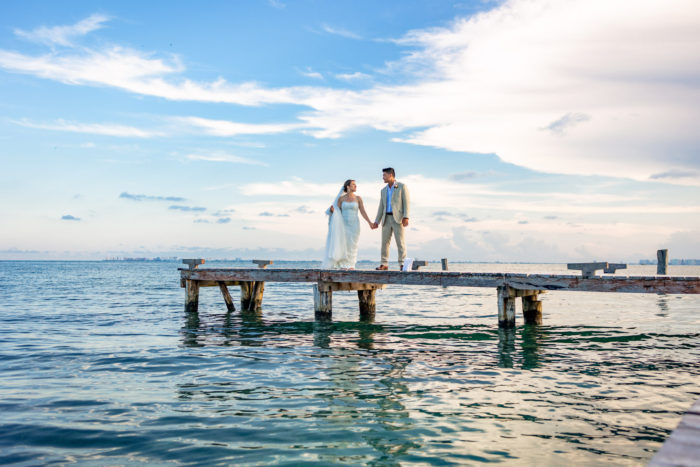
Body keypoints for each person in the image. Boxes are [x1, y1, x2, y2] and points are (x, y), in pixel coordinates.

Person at [323, 179, 373, 269]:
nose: (355, 186)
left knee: (353, 244)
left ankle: (351, 265)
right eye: (353, 184)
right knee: (344, 244)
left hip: (355, 225)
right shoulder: (341, 199)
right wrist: (332, 211)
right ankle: (342, 265)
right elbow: (337, 213)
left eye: (355, 184)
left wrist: (370, 222)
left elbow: (363, 212)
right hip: (343, 225)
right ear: (348, 186)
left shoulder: (358, 198)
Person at [370, 168, 410, 270]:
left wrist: (406, 217)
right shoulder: (383, 190)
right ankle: (384, 264)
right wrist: (376, 221)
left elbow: (406, 203)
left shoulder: (402, 186)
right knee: (384, 243)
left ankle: (402, 264)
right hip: (386, 218)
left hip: (398, 218)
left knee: (400, 242)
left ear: (391, 175)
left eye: (384, 175)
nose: (383, 177)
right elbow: (381, 207)